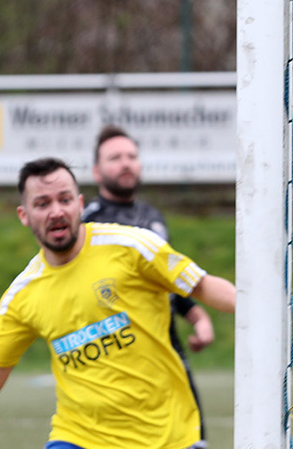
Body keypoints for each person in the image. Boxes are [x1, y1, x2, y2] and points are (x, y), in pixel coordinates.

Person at [0, 156, 235, 449]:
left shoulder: (133, 246)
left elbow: (203, 286)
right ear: (24, 215)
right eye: (42, 204)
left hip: (166, 435)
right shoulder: (21, 296)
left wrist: (258, 308)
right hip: (78, 438)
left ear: (79, 204)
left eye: (64, 199)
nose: (56, 211)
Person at [82, 125, 215, 448]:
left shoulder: (153, 217)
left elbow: (168, 279)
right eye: (115, 158)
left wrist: (197, 316)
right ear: (97, 171)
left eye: (131, 156)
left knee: (193, 440)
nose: (126, 163)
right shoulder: (88, 224)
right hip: (119, 358)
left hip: (167, 347)